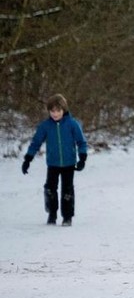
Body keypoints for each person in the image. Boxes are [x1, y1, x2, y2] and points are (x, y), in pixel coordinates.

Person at [23, 93, 88, 226]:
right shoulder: (45, 126)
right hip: (53, 163)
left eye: (58, 111)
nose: (55, 114)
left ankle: (67, 217)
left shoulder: (72, 124)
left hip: (69, 163)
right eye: (52, 111)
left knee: (67, 190)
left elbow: (81, 142)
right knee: (50, 189)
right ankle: (52, 214)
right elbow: (36, 142)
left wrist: (82, 158)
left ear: (63, 110)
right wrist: (28, 159)